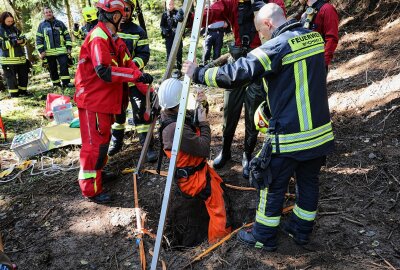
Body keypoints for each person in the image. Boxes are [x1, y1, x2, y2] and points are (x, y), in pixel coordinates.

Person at [183, 3, 334, 250]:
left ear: (268, 24)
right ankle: (301, 231)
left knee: (270, 183)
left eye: (261, 33)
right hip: (319, 134)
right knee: (309, 183)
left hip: (290, 136)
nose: (261, 38)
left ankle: (263, 237)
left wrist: (199, 74)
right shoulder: (314, 39)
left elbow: (236, 73)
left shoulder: (276, 46)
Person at [192, 0, 286, 180]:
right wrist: (189, 17)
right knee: (230, 110)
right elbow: (211, 13)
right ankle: (225, 150)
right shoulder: (232, 2)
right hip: (237, 63)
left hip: (259, 64)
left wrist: (264, 6)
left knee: (253, 113)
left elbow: (279, 15)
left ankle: (247, 155)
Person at [73, 0, 153, 204]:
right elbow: (104, 71)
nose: (126, 15)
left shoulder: (113, 38)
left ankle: (98, 173)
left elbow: (127, 63)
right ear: (115, 16)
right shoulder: (99, 38)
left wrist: (144, 82)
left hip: (104, 100)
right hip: (94, 101)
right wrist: (135, 76)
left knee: (103, 142)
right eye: (122, 13)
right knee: (94, 147)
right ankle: (91, 189)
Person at [158, 78, 232, 244]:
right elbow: (204, 147)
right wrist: (205, 123)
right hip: (192, 179)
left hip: (197, 170)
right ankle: (220, 243)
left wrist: (201, 104)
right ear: (180, 99)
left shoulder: (171, 114)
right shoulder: (174, 130)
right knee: (220, 208)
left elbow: (193, 116)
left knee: (219, 185)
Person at [108, 0, 157, 162]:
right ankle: (116, 142)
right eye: (122, 9)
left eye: (128, 9)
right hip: (115, 81)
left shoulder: (138, 31)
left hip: (134, 80)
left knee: (140, 111)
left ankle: (146, 144)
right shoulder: (108, 29)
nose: (125, 12)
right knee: (117, 113)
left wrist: (131, 68)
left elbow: (144, 54)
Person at [36, 7, 73, 88]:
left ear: (52, 13)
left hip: (62, 51)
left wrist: (69, 47)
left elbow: (67, 36)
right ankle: (56, 84)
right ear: (44, 14)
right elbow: (39, 39)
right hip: (49, 53)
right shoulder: (41, 26)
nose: (48, 13)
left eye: (50, 12)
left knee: (64, 67)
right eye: (46, 12)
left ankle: (66, 83)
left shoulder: (60, 23)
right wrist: (41, 51)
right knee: (53, 69)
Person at [299, 0, 338, 70]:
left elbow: (332, 39)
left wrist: (323, 63)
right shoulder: (305, 12)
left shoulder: (327, 9)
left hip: (318, 64)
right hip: (305, 63)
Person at [0, 12, 29, 97]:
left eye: (11, 21)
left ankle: (23, 92)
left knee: (24, 77)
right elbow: (2, 45)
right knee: (11, 80)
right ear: (3, 20)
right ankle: (14, 95)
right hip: (8, 60)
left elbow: (25, 40)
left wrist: (22, 41)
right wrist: (14, 42)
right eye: (8, 21)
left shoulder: (16, 29)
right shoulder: (0, 30)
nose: (10, 23)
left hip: (20, 59)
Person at [160, 0, 184, 78]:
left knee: (179, 52)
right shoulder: (164, 14)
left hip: (177, 36)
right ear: (166, 4)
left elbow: (181, 21)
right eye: (169, 4)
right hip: (169, 37)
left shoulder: (177, 12)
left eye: (172, 4)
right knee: (169, 54)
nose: (171, 5)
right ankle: (169, 71)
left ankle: (179, 69)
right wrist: (165, 31)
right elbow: (162, 25)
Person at [202, 0, 227, 65]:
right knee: (206, 51)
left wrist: (227, 23)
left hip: (219, 32)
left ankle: (215, 68)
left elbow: (228, 15)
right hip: (209, 32)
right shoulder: (206, 7)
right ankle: (205, 67)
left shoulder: (222, 6)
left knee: (217, 52)